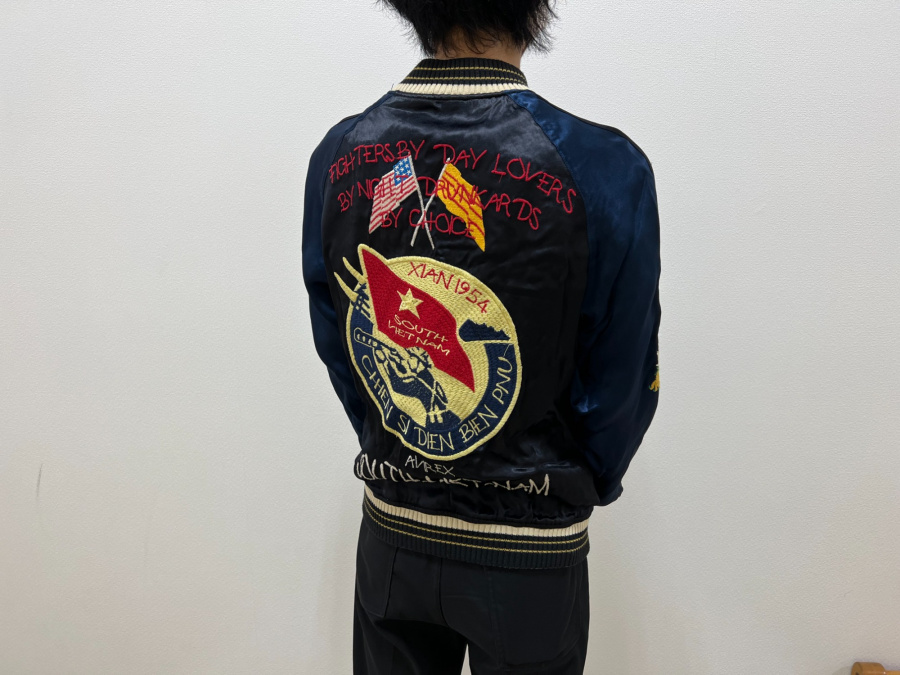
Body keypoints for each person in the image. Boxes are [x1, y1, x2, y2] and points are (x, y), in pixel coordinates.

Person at [302, 1, 661, 672]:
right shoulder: (602, 167)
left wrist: (403, 442)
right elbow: (622, 375)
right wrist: (576, 479)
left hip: (394, 534)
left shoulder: (341, 154)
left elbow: (340, 339)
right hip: (529, 549)